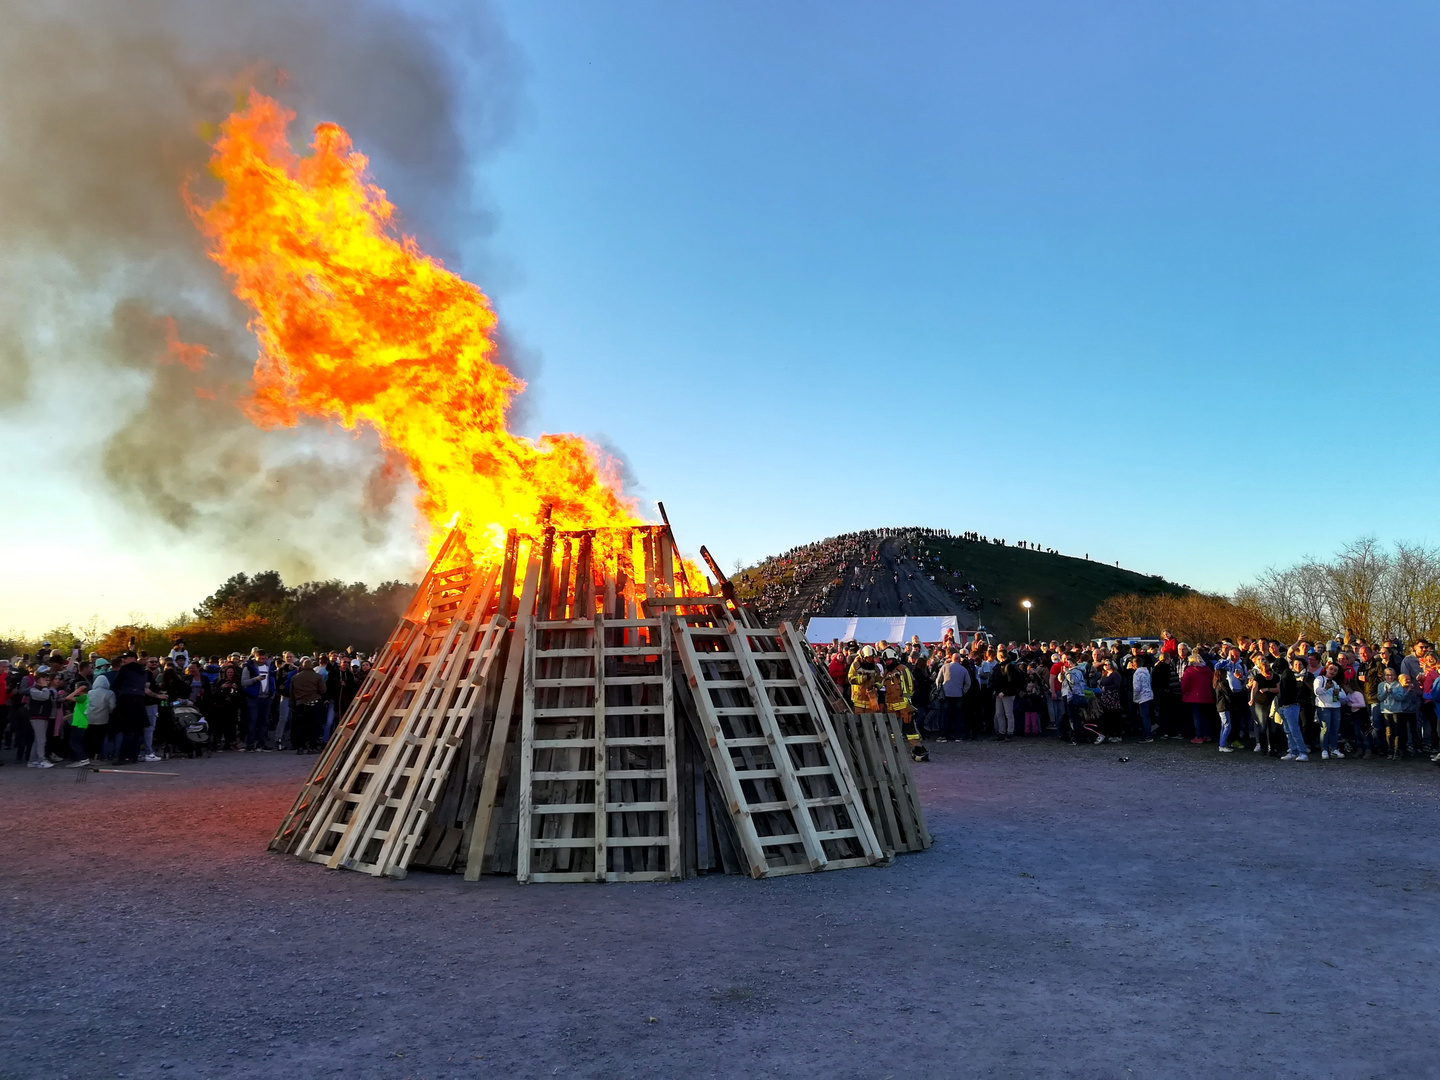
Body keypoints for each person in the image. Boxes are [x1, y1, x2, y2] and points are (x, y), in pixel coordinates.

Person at [241, 650, 277, 752]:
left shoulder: (269, 667)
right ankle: (250, 744)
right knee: (252, 721)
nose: (262, 660)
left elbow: (272, 680)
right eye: (259, 658)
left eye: (263, 658)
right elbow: (243, 682)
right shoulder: (248, 668)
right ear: (255, 657)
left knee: (264, 722)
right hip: (254, 697)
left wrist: (272, 692)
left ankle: (261, 743)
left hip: (266, 697)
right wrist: (255, 679)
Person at [287, 658, 326, 753]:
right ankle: (312, 746)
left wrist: (293, 705)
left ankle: (300, 746)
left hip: (300, 704)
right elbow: (323, 690)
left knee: (301, 726)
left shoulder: (295, 677)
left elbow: (291, 693)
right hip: (314, 703)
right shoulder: (317, 677)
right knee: (313, 726)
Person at [1276, 657, 1310, 762]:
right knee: (1289, 731)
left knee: (1294, 730)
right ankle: (1293, 751)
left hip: (1289, 705)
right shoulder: (1287, 674)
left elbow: (1285, 691)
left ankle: (1302, 752)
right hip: (1287, 705)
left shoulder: (1286, 674)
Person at [1313, 661, 1346, 760]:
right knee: (1325, 729)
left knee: (1335, 730)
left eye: (1335, 670)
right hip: (1324, 707)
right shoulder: (1320, 679)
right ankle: (1324, 749)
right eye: (1331, 669)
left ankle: (1333, 749)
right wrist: (1326, 688)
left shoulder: (1336, 683)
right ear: (1326, 669)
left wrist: (1338, 695)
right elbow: (1317, 692)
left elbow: (1344, 697)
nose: (1332, 671)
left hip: (1335, 707)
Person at [990, 646, 1024, 741]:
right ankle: (1002, 731)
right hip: (999, 692)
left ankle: (1009, 732)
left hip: (1007, 693)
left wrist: (1004, 691)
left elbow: (1011, 681)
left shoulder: (1009, 667)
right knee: (999, 713)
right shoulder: (1000, 666)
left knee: (1008, 713)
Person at [1180, 654, 1215, 744]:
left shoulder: (1189, 671)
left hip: (1194, 696)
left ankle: (1199, 736)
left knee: (1197, 717)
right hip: (1207, 696)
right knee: (1205, 717)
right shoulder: (1208, 671)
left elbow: (1184, 684)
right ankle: (1207, 735)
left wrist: (1185, 691)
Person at [25, 672, 58, 768]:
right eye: (45, 679)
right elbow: (44, 696)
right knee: (41, 739)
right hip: (37, 716)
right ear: (39, 680)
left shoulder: (45, 690)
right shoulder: (34, 690)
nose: (47, 682)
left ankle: (32, 759)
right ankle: (41, 760)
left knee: (37, 739)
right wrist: (44, 687)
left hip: (44, 716)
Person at [1129, 654, 1154, 742]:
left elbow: (1137, 687)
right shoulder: (1146, 672)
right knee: (1147, 716)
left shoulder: (1137, 674)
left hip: (1142, 697)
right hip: (1148, 695)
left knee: (1144, 717)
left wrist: (1135, 698)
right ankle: (1148, 733)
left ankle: (1147, 735)